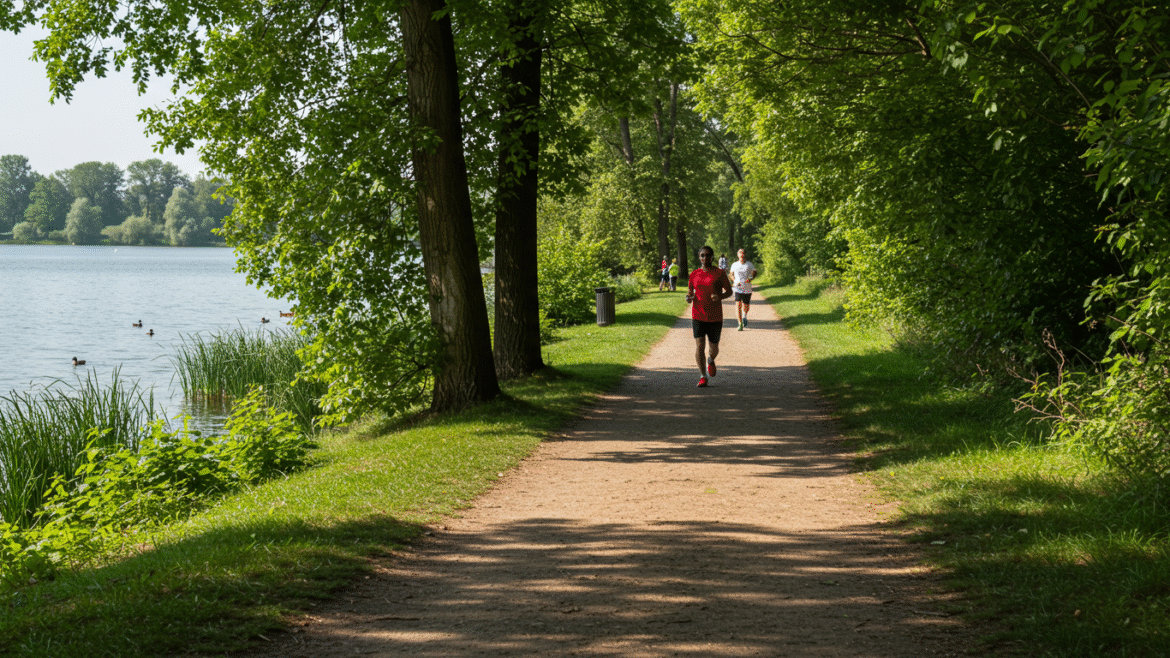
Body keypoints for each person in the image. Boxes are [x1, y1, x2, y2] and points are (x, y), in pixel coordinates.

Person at [687, 245, 734, 387]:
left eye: (708, 255)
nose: (705, 258)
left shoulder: (719, 273)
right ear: (699, 257)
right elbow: (690, 292)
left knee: (713, 348)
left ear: (712, 257)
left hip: (715, 317)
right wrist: (689, 297)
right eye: (702, 255)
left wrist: (719, 296)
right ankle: (703, 376)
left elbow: (729, 291)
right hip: (698, 315)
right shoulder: (694, 274)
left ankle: (711, 360)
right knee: (699, 345)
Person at [729, 248, 758, 330]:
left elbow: (755, 272)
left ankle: (744, 316)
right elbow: (731, 274)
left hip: (747, 288)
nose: (742, 254)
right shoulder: (734, 264)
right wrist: (734, 280)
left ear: (745, 255)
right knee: (738, 305)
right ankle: (740, 323)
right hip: (737, 288)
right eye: (740, 253)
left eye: (743, 253)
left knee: (746, 306)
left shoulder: (749, 264)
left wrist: (751, 278)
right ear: (738, 255)